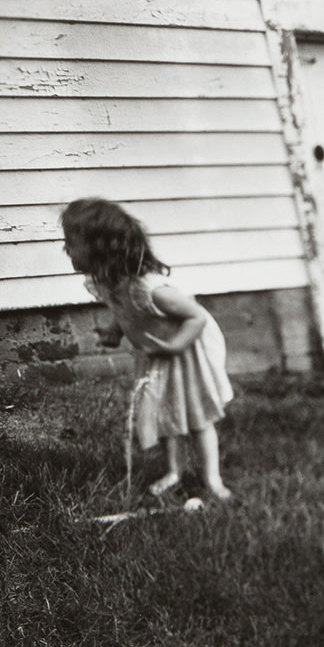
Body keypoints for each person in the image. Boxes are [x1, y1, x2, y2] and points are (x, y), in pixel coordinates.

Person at [60, 197, 236, 500]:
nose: (66, 249)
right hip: (156, 354)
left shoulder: (150, 289)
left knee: (197, 418)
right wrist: (115, 332)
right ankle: (173, 471)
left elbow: (196, 317)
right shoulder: (109, 282)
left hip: (185, 353)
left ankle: (212, 480)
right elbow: (123, 311)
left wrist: (173, 347)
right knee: (164, 413)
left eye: (72, 242)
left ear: (102, 248)